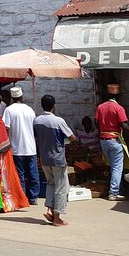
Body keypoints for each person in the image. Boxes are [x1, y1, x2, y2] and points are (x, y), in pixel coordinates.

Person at [34, 95, 76, 227]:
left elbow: (35, 137)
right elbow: (72, 137)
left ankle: (49, 209)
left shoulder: (37, 120)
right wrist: (64, 141)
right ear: (54, 105)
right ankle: (57, 217)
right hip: (57, 158)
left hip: (44, 158)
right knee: (61, 187)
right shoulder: (58, 121)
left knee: (51, 184)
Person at [3, 86, 40, 205]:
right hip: (31, 147)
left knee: (20, 174)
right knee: (33, 173)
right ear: (21, 96)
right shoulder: (29, 109)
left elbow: (6, 128)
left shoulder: (9, 110)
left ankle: (22, 196)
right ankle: (33, 197)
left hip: (16, 148)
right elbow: (35, 128)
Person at [95, 84, 129, 201]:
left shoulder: (100, 107)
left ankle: (116, 189)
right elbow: (122, 124)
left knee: (112, 166)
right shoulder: (119, 108)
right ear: (118, 96)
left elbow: (96, 123)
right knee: (117, 167)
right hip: (114, 139)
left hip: (103, 140)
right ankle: (113, 193)